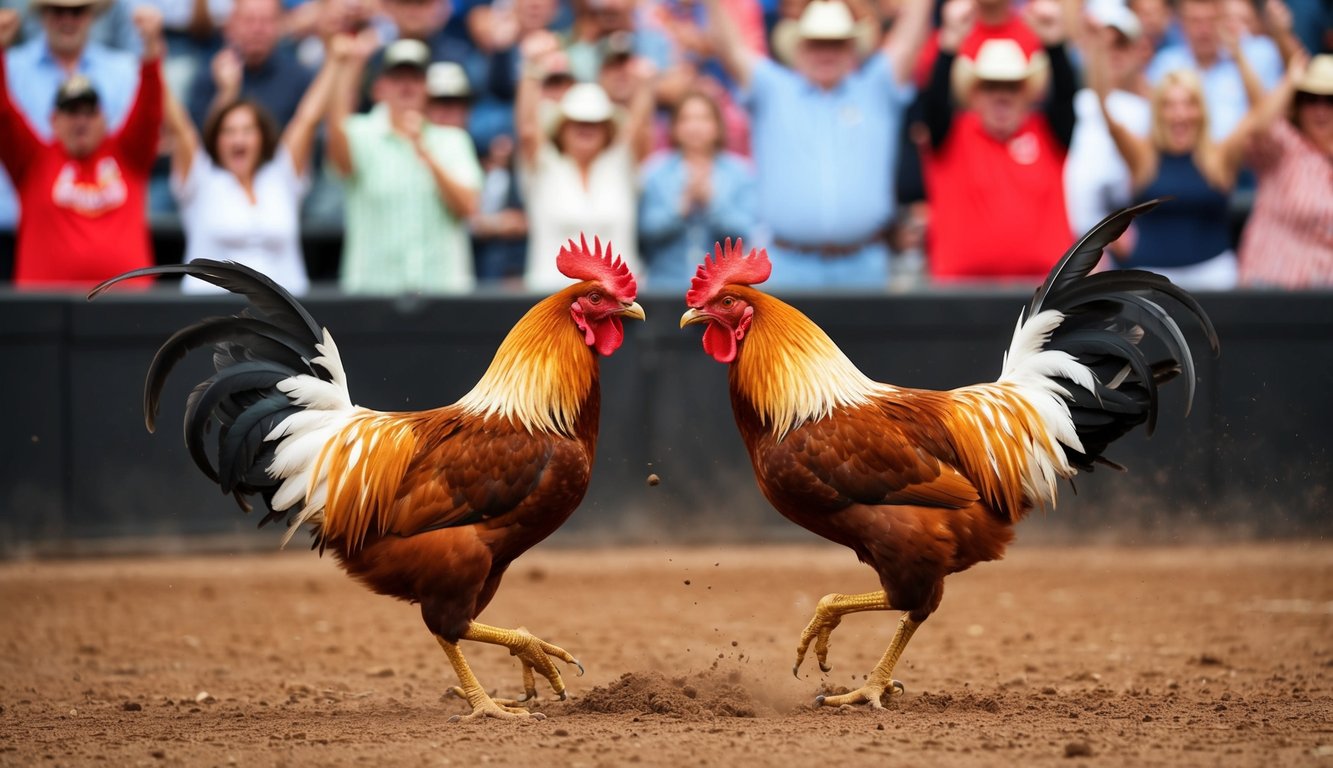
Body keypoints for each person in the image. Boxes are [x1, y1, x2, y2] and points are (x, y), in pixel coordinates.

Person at [704, 0, 931, 289]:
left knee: (866, 336)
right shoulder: (773, 89)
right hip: (787, 265)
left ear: (852, 48)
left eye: (836, 43)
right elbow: (729, 46)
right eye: (816, 43)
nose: (826, 52)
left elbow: (910, 38)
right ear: (798, 47)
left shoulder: (875, 88)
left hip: (863, 264)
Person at [1092, 15, 1291, 290]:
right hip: (1148, 279)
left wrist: (1239, 56)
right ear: (1158, 112)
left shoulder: (1219, 155)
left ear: (1201, 110)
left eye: (1189, 104)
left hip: (1214, 277)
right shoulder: (1142, 154)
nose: (1179, 114)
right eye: (1169, 105)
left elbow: (1260, 115)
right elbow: (1105, 110)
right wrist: (1099, 52)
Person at [162, 31, 346, 295]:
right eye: (229, 131)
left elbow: (308, 117)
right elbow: (178, 124)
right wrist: (152, 58)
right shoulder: (201, 175)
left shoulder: (281, 173)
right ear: (217, 138)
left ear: (262, 137)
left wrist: (335, 61)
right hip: (211, 321)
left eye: (247, 130)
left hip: (284, 322)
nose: (238, 139)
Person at [0, 6, 163, 288]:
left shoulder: (128, 155)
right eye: (71, 112)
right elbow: (3, 113)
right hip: (44, 315)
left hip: (129, 313)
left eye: (89, 112)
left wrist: (151, 48)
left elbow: (149, 109)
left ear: (105, 118)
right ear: (53, 120)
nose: (81, 121)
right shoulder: (32, 159)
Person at [921, 0, 1076, 282]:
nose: (1001, 95)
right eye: (990, 86)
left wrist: (1055, 45)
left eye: (1012, 86)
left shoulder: (1048, 133)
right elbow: (933, 102)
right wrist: (949, 45)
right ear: (974, 94)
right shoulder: (951, 134)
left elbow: (1066, 97)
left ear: (1027, 92)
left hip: (1041, 296)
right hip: (961, 296)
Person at [329, 35, 483, 294]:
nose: (406, 86)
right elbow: (338, 149)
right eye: (397, 78)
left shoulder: (452, 139)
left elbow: (467, 206)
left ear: (427, 88)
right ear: (381, 86)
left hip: (441, 293)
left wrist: (426, 152)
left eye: (415, 78)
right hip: (372, 294)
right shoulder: (359, 132)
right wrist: (347, 67)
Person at [515, 30, 654, 291]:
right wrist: (531, 72)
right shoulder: (545, 166)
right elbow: (528, 130)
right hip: (553, 303)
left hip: (617, 306)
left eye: (595, 123)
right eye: (577, 122)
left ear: (607, 130)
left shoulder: (619, 165)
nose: (586, 128)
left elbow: (638, 125)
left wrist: (644, 86)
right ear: (562, 127)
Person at [639, 89, 755, 288]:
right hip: (666, 286)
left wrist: (712, 203)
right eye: (686, 119)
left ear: (718, 127)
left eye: (703, 118)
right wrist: (679, 209)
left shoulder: (739, 173)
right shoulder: (656, 172)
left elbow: (746, 231)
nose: (695, 126)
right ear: (674, 128)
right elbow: (645, 232)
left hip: (722, 291)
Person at [1238, 53, 1333, 288]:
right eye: (1310, 99)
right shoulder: (1286, 145)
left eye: (1330, 101)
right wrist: (1291, 80)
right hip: (1272, 286)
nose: (1320, 110)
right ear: (1297, 105)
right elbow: (1258, 128)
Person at [1065, 4, 1153, 240]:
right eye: (1103, 44)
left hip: (1121, 240)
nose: (1111, 52)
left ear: (1139, 50)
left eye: (1120, 44)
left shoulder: (1153, 111)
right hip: (1070, 243)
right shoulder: (1078, 103)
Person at [1147, 0, 1283, 139]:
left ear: (1225, 21)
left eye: (1211, 20)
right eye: (1195, 21)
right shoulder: (1165, 63)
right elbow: (1155, 123)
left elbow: (1267, 119)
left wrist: (1238, 56)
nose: (1204, 30)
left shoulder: (1258, 52)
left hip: (1246, 154)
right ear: (1181, 25)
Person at [187, 0, 316, 130]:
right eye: (249, 21)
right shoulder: (210, 76)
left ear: (280, 26)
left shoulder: (300, 79)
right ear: (231, 26)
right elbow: (199, 143)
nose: (257, 29)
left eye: (266, 21)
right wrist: (226, 94)